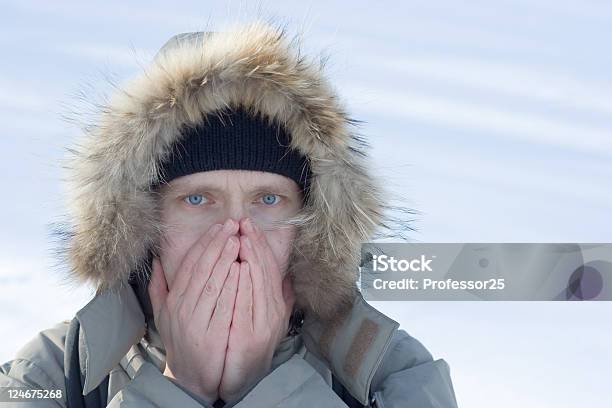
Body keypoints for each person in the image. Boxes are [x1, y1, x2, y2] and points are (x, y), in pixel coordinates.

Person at [0, 21, 459, 407]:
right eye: (198, 199)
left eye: (268, 200)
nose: (237, 236)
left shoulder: (392, 373)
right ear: (143, 225)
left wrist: (257, 386)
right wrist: (182, 386)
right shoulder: (49, 375)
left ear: (314, 225)